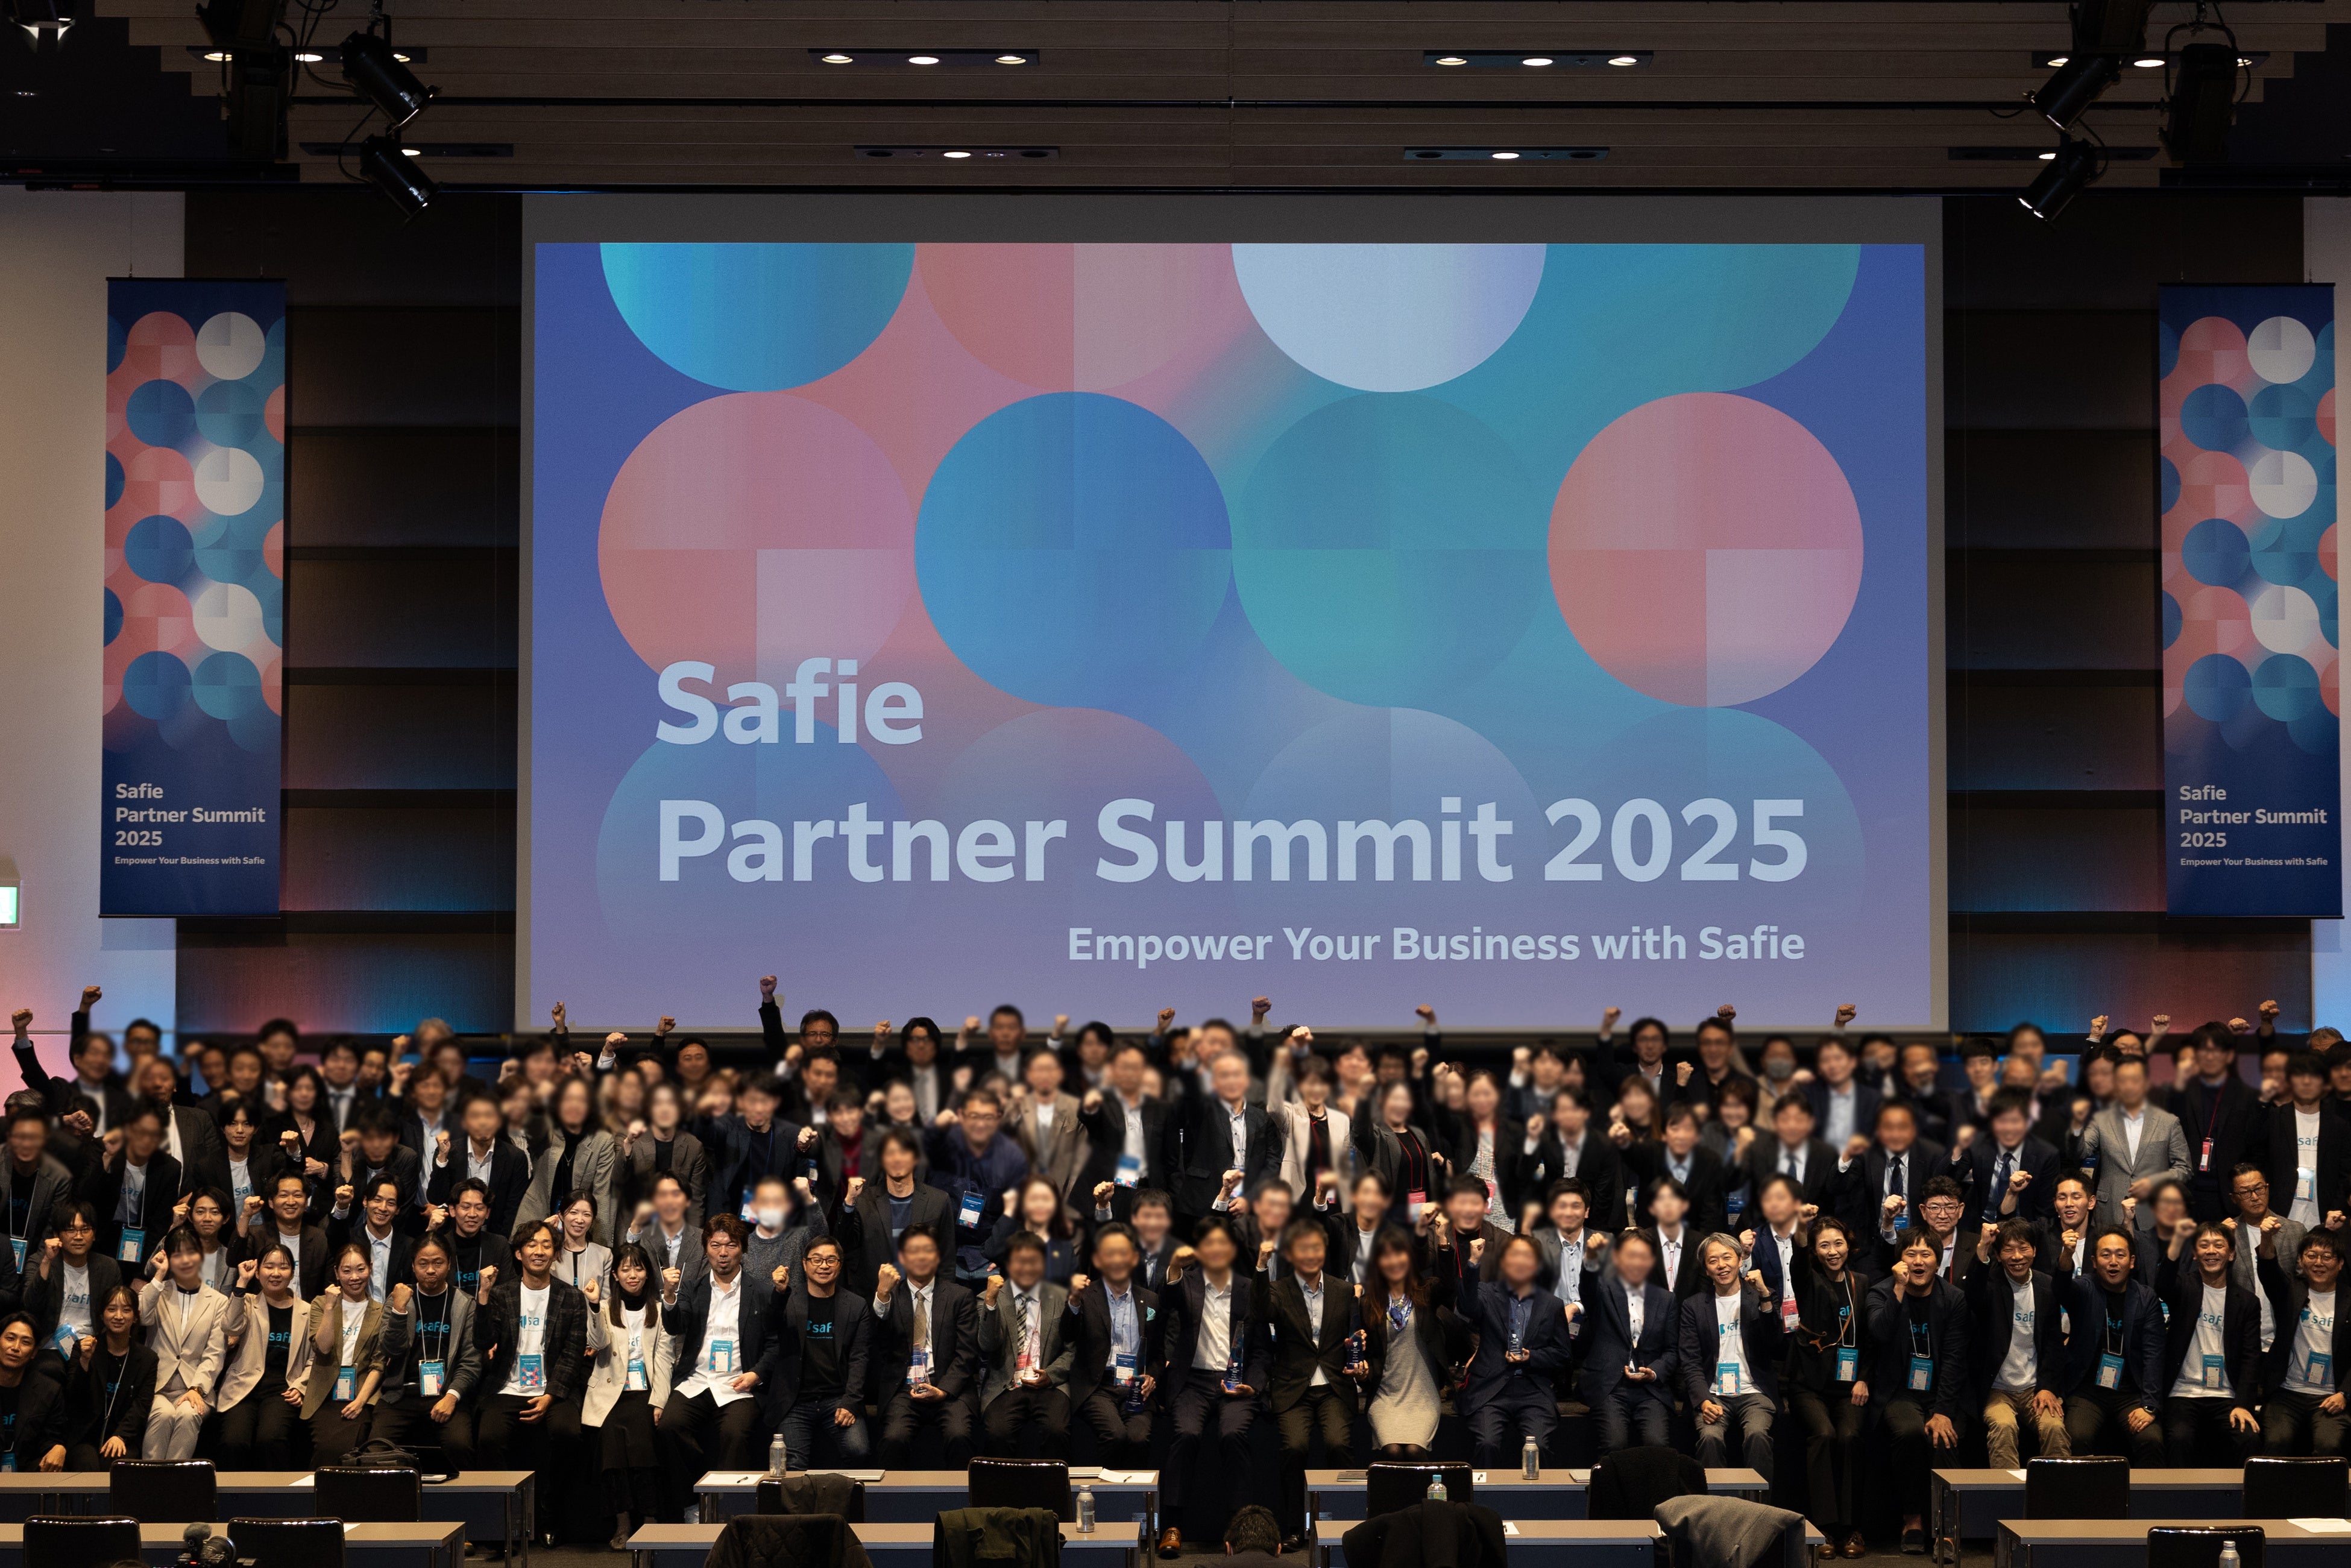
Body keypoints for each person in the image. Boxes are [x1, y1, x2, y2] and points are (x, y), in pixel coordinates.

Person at [1156, 1217, 1268, 1556]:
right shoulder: (1186, 1283)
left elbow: (1262, 1349)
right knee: (1186, 1434)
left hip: (1236, 1383)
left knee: (1233, 1435)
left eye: (1223, 1243)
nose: (1216, 1249)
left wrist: (1253, 1386)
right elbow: (1167, 1300)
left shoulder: (1248, 1288)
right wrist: (1174, 1266)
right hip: (1193, 1382)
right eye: (1209, 1243)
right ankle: (1173, 1527)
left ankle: (1242, 1529)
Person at [659, 1213, 779, 1508]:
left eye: (731, 1245)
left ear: (743, 1249)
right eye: (715, 1245)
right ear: (706, 1249)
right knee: (670, 1425)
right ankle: (691, 1503)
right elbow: (675, 1326)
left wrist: (756, 1374)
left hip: (739, 1383)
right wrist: (670, 1295)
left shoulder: (761, 1292)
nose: (723, 1253)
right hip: (698, 1380)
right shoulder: (692, 1289)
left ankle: (727, 1506)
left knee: (734, 1433)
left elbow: (775, 1343)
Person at [1265, 1214, 1361, 1551]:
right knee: (1295, 1448)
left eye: (1317, 1248)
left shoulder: (1343, 1289)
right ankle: (1294, 1528)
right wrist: (1261, 1266)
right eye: (1303, 1248)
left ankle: (1345, 1524)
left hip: (1334, 1386)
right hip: (1294, 1387)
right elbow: (1261, 1312)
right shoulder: (1278, 1290)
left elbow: (1354, 1335)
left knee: (1338, 1444)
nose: (1311, 1254)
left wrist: (1357, 1347)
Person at [1867, 1235, 1968, 1554]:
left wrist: (1943, 1410)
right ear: (1900, 1260)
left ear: (1938, 1262)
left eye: (1926, 1255)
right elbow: (1879, 1333)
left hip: (1942, 1391)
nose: (1918, 1262)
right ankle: (1912, 1520)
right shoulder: (1881, 1292)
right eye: (1911, 1254)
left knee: (1944, 1436)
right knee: (1910, 1432)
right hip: (1899, 1392)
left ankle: (1947, 1528)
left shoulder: (1954, 1298)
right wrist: (1898, 1290)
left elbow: (1954, 1359)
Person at [1784, 1214, 1869, 1558]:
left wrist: (1865, 1377)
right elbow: (1798, 1263)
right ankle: (1823, 1528)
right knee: (1824, 1435)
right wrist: (1801, 1230)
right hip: (1809, 1383)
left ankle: (1851, 1529)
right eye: (1824, 1246)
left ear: (1849, 1245)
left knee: (1849, 1437)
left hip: (1850, 1385)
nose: (1833, 1251)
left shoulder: (1862, 1283)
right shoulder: (1809, 1280)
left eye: (1838, 1243)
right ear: (1815, 1251)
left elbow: (1872, 1338)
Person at [870, 1223, 979, 1469]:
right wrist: (882, 1296)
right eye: (914, 1250)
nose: (921, 1257)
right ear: (902, 1257)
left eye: (927, 1250)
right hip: (904, 1388)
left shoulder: (959, 1296)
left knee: (960, 1435)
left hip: (949, 1388)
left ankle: (965, 1494)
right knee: (893, 1438)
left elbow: (967, 1353)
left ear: (938, 1256)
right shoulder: (890, 1295)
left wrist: (944, 1390)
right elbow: (877, 1342)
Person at [2154, 1216, 2262, 1463]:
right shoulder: (2184, 1287)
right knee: (2179, 1438)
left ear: (2231, 1254)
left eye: (2219, 1245)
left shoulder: (2247, 1302)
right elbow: (2163, 1284)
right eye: (2204, 1245)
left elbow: (2251, 1357)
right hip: (2184, 1392)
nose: (2211, 1251)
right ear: (2194, 1254)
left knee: (2248, 1438)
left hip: (2227, 1395)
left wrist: (2243, 1404)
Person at [585, 1241, 670, 1551]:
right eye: (626, 1269)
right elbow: (597, 1342)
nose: (632, 1275)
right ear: (616, 1276)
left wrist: (660, 1401)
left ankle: (650, 1518)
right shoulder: (606, 1308)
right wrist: (594, 1305)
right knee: (612, 1450)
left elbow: (665, 1359)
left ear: (648, 1274)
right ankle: (623, 1522)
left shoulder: (660, 1310)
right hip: (611, 1392)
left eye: (638, 1268)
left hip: (646, 1392)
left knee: (643, 1446)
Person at [1968, 1217, 2070, 1469]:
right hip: (1997, 1389)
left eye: (2023, 1248)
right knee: (2003, 1427)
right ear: (1998, 1255)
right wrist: (1983, 1247)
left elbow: (2053, 1344)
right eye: (2008, 1250)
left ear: (2034, 1250)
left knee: (2054, 1427)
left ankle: (2059, 1491)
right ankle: (2007, 1494)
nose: (2017, 1257)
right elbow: (1974, 1293)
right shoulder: (1992, 1283)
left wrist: (2047, 1387)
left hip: (2034, 1388)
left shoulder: (2046, 1286)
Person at [369, 1231, 480, 1461]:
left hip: (445, 1392)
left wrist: (452, 1397)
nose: (431, 1270)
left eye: (438, 1263)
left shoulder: (465, 1304)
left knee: (460, 1446)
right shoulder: (399, 1300)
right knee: (374, 1453)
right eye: (423, 1264)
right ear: (413, 1266)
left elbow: (471, 1361)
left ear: (449, 1264)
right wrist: (399, 1311)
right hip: (402, 1394)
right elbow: (390, 1350)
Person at [2062, 1224, 2167, 1464]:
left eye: (2120, 1255)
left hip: (2130, 1392)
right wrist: (2067, 1255)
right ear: (2094, 1261)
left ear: (2132, 1262)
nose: (2113, 1262)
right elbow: (2062, 1289)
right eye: (2105, 1255)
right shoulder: (2084, 1289)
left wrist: (2150, 1406)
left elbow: (2154, 1354)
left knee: (2151, 1440)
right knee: (2077, 1437)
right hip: (2088, 1391)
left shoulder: (2146, 1298)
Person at [1680, 1233, 1780, 1480]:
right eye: (1713, 1260)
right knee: (1710, 1438)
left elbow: (1775, 1344)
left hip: (1754, 1392)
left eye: (1727, 1257)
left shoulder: (1761, 1296)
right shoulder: (1694, 1306)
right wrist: (1704, 1402)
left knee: (1757, 1436)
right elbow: (1691, 1362)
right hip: (1713, 1393)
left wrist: (1764, 1296)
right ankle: (1713, 1503)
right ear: (1706, 1269)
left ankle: (1756, 1502)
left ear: (1740, 1260)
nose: (1721, 1265)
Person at [772, 1232, 872, 1467]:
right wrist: (779, 1295)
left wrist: (850, 1402)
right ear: (805, 1264)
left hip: (837, 1398)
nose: (824, 1266)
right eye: (816, 1260)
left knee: (859, 1450)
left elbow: (860, 1358)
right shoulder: (788, 1299)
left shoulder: (856, 1305)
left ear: (840, 1264)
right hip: (796, 1400)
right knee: (791, 1464)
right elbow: (771, 1328)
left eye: (831, 1260)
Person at [977, 1231, 1073, 1457]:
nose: (1027, 1268)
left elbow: (1073, 1350)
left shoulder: (1062, 1298)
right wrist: (991, 1302)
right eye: (1020, 1262)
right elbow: (987, 1345)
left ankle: (1052, 1481)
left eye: (1034, 1262)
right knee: (998, 1433)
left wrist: (1052, 1374)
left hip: (1050, 1383)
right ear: (1009, 1264)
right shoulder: (988, 1297)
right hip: (1006, 1382)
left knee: (1057, 1430)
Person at [213, 1244, 310, 1467]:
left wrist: (301, 1387)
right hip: (244, 1386)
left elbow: (314, 1359)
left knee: (270, 1440)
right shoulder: (246, 1302)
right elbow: (230, 1327)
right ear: (258, 1272)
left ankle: (274, 1491)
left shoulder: (307, 1310)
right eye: (269, 1266)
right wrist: (242, 1282)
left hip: (283, 1389)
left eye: (283, 1267)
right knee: (234, 1442)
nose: (276, 1273)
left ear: (292, 1273)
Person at [134, 1224, 226, 1458]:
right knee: (163, 1415)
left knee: (188, 1414)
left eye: (191, 1253)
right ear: (168, 1257)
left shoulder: (218, 1301)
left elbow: (214, 1354)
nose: (185, 1260)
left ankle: (177, 1478)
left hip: (195, 1385)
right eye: (177, 1255)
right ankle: (150, 1476)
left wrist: (197, 1389)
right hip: (156, 1386)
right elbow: (142, 1318)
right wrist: (159, 1275)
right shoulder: (156, 1290)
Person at [2254, 1220, 2346, 1455]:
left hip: (2331, 1396)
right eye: (2311, 1256)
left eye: (2327, 1257)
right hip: (2287, 1393)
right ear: (2301, 1261)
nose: (2319, 1263)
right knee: (2276, 1442)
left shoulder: (2349, 1301)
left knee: (2329, 1445)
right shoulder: (2290, 1292)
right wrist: (2267, 1238)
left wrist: (2345, 1394)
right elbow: (2268, 1269)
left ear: (2340, 1263)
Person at [1169, 1047, 1280, 1232]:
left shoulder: (1263, 1118)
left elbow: (1272, 1164)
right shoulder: (1203, 1112)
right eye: (1224, 1076)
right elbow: (1191, 1095)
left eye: (1237, 1075)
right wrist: (1192, 1065)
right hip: (1206, 1202)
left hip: (1249, 1204)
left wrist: (1251, 1198)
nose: (1231, 1081)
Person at [927, 1090, 1031, 1286]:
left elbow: (1020, 1214)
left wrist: (1002, 1254)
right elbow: (929, 1207)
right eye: (974, 1116)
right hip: (947, 1259)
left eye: (988, 1117)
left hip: (992, 1262)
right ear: (962, 1116)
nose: (981, 1124)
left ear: (998, 1119)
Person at [300, 1242, 388, 1463]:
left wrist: (361, 1401)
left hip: (361, 1392)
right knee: (329, 1449)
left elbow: (378, 1364)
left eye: (361, 1269)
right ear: (337, 1273)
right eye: (347, 1271)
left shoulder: (381, 1311)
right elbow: (323, 1348)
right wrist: (330, 1308)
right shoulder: (321, 1304)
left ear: (370, 1268)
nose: (354, 1277)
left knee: (351, 1446)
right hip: (325, 1392)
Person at [2081, 1054, 2189, 1232]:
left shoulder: (2169, 1122)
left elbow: (2184, 1168)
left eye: (2135, 1080)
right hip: (2111, 1210)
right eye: (2123, 1080)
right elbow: (2081, 1151)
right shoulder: (2101, 1120)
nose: (2129, 1086)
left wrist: (2156, 1181)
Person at [2249, 1052, 2350, 1233]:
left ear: (2325, 1083)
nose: (2306, 1082)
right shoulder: (2273, 1120)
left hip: (2325, 1221)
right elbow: (2257, 1165)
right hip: (2277, 1218)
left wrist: (2336, 1210)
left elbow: (2345, 1176)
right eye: (2300, 1075)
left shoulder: (2339, 1126)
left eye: (2314, 1076)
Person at [2173, 1024, 2264, 1220]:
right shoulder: (2180, 1093)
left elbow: (2257, 1149)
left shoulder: (2247, 1094)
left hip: (2231, 1197)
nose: (2210, 1056)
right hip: (2187, 1194)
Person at [520, 1078, 620, 1247]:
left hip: (578, 1225)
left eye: (581, 1100)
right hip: (538, 1215)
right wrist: (538, 1103)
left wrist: (601, 1247)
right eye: (568, 1099)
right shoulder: (546, 1131)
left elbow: (602, 1196)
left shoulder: (602, 1141)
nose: (574, 1105)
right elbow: (532, 1128)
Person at [62, 1283, 153, 1467]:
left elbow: (141, 1405)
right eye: (112, 1309)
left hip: (123, 1435)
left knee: (115, 1462)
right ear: (102, 1315)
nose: (118, 1316)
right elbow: (74, 1397)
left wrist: (121, 1435)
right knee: (86, 1463)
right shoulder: (84, 1348)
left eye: (126, 1310)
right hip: (85, 1435)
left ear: (136, 1316)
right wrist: (85, 1361)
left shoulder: (147, 1359)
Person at [85, 1102, 180, 1272]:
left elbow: (159, 1226)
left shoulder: (169, 1168)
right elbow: (84, 1198)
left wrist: (142, 1274)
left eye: (154, 1134)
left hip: (140, 1239)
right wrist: (108, 1159)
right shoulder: (103, 1148)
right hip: (100, 1236)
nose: (146, 1140)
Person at [428, 1091, 532, 1237]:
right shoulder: (448, 1152)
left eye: (489, 1116)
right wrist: (443, 1158)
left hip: (496, 1236)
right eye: (475, 1116)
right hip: (454, 1235)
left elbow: (513, 1209)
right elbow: (436, 1198)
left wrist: (501, 1243)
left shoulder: (515, 1157)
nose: (483, 1122)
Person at [24, 1202, 119, 1359]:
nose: (79, 1237)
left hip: (92, 1346)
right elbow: (30, 1306)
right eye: (70, 1230)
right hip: (50, 1347)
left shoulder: (108, 1267)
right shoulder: (41, 1261)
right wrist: (47, 1261)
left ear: (94, 1234)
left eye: (85, 1230)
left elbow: (115, 1312)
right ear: (57, 1235)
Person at [1953, 1089, 2059, 1230]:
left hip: (2024, 1229)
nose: (2008, 1129)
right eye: (2002, 1121)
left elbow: (2045, 1213)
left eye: (2015, 1121)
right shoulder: (1978, 1145)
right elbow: (1950, 1181)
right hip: (1979, 1225)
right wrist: (1958, 1150)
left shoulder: (2046, 1155)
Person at [326, 1173, 417, 1303]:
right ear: (365, 1201)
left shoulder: (409, 1247)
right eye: (377, 1200)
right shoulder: (349, 1240)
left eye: (391, 1203)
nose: (383, 1208)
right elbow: (334, 1235)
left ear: (398, 1209)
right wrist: (342, 1206)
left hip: (394, 1313)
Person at [243, 1170, 329, 1299]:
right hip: (263, 1308)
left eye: (297, 1195)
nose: (291, 1202)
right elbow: (233, 1261)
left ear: (306, 1202)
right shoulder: (257, 1235)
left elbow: (328, 1286)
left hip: (308, 1309)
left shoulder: (320, 1239)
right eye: (283, 1195)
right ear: (271, 1202)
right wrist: (245, 1216)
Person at [0, 1312, 68, 1471]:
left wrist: (58, 1447)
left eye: (26, 1342)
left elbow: (52, 1437)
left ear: (34, 1353)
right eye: (10, 1338)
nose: (15, 1348)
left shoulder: (49, 1391)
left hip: (27, 1470)